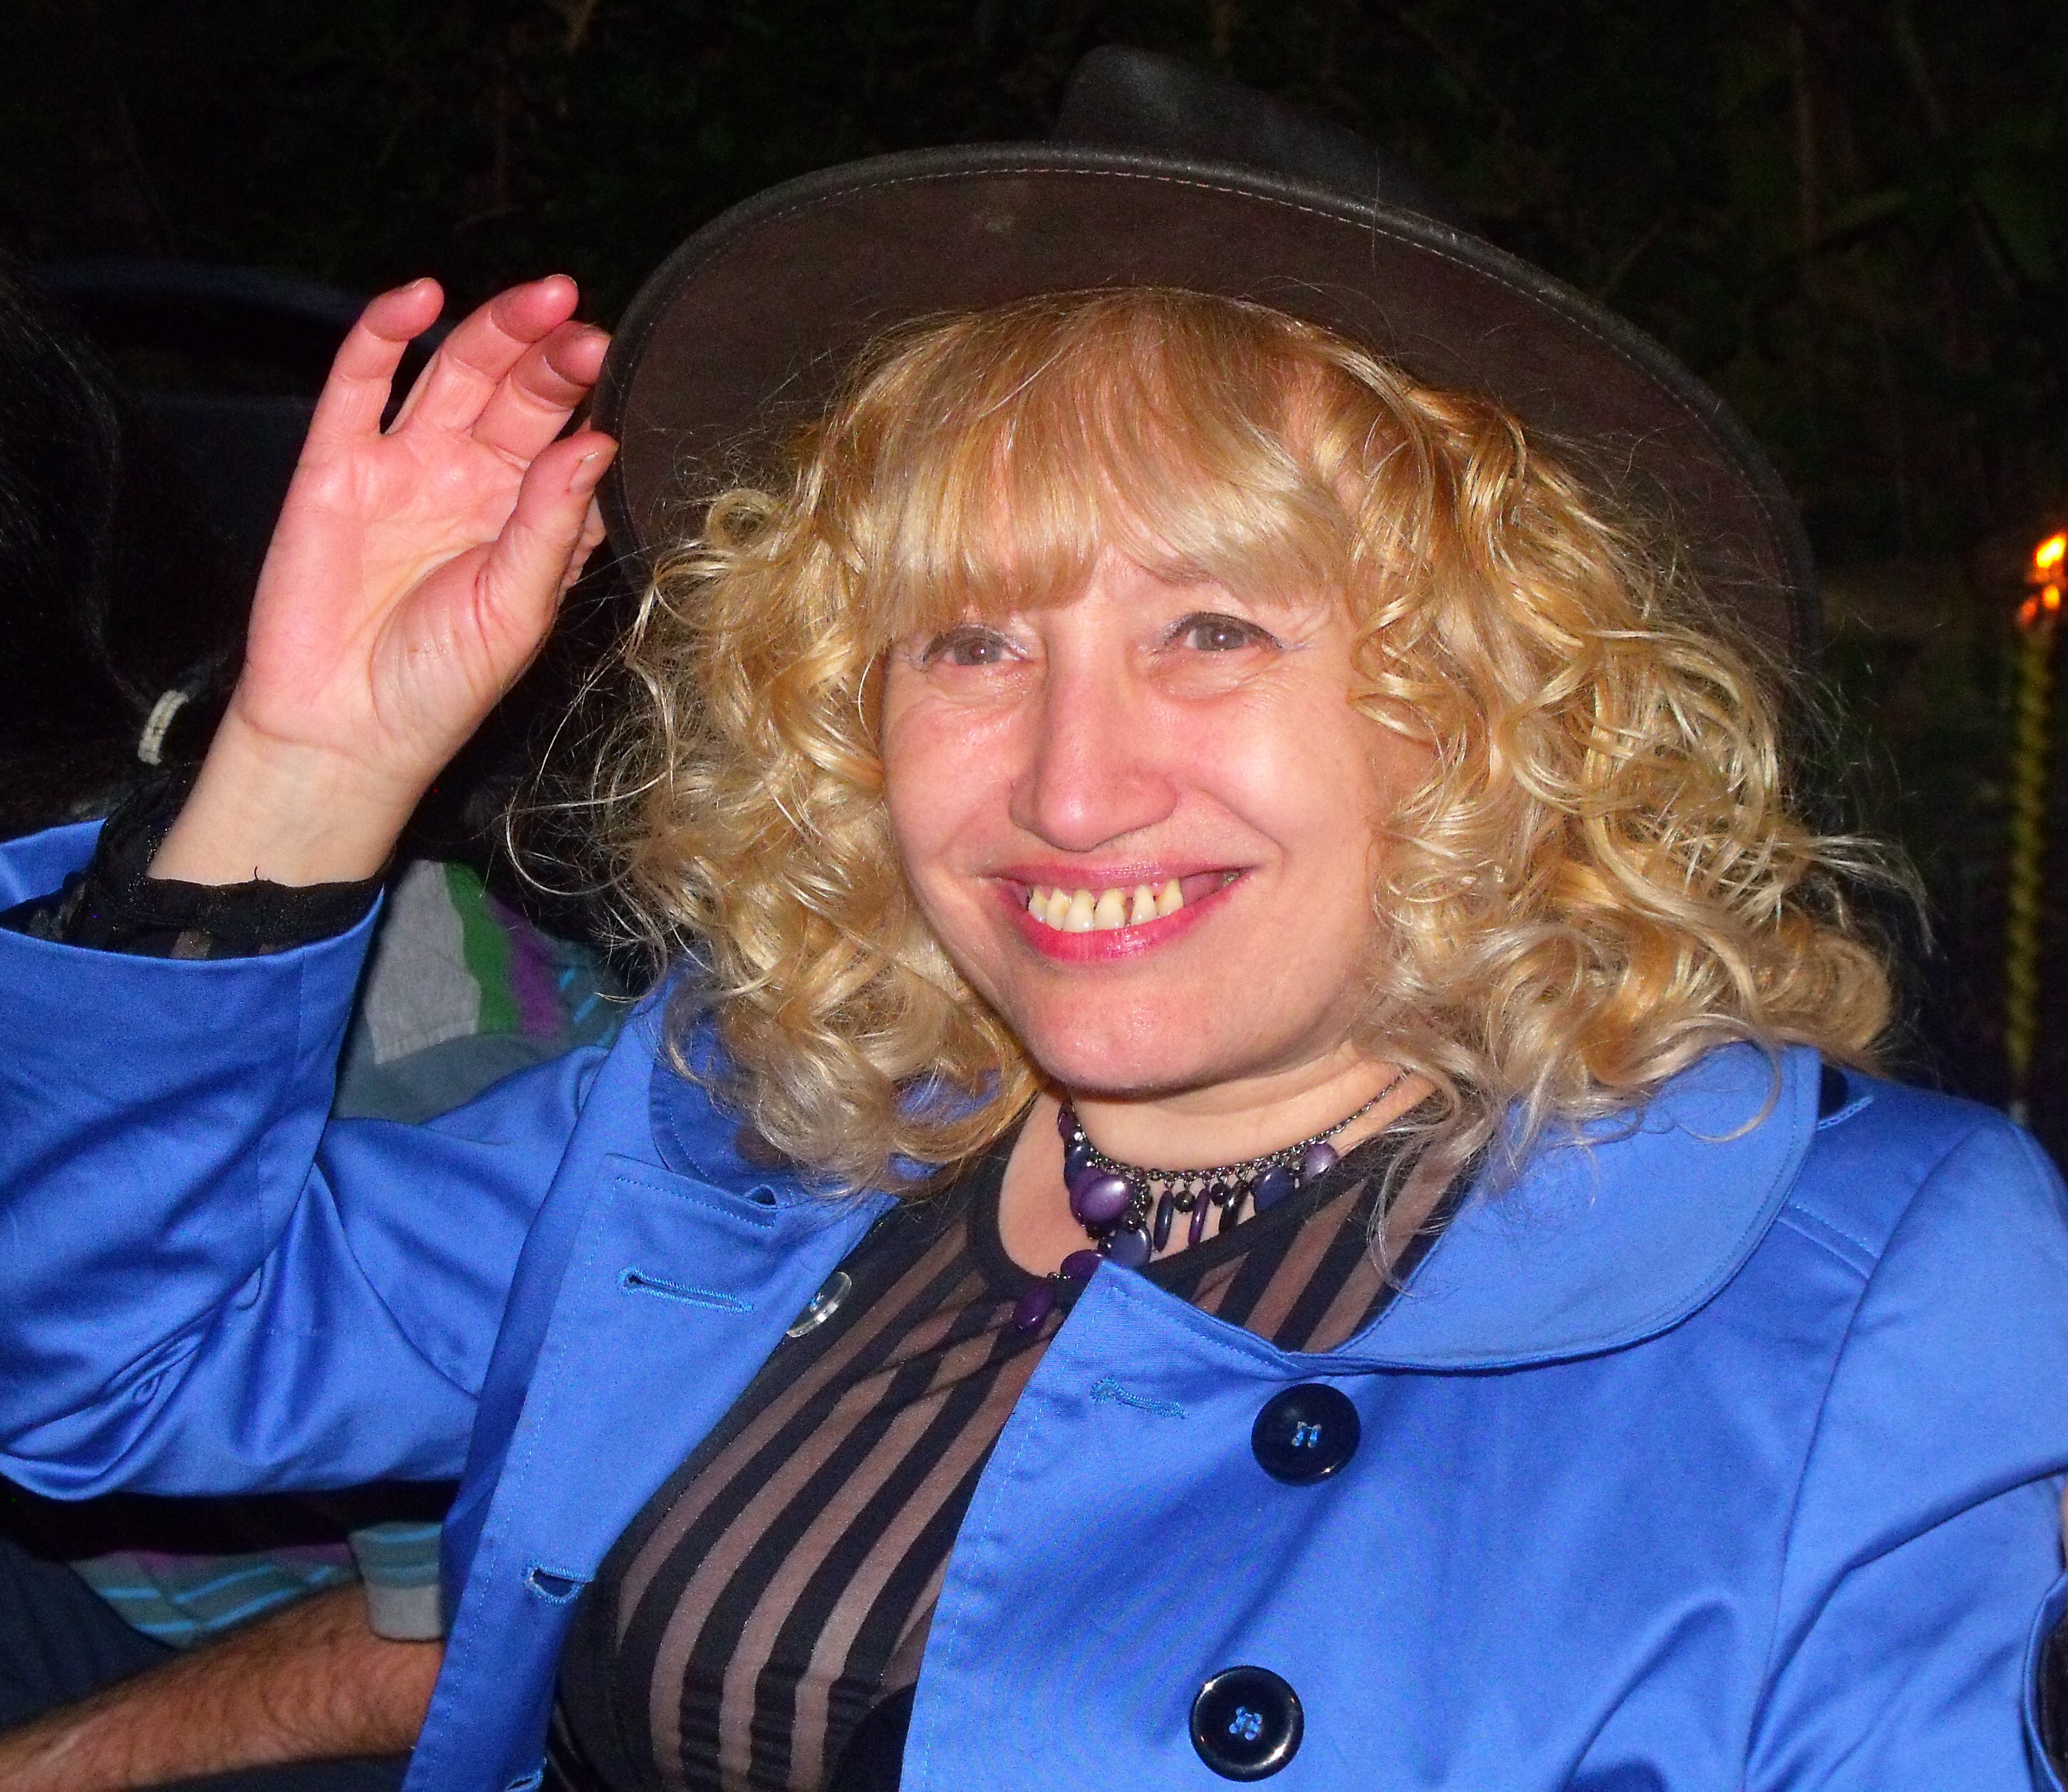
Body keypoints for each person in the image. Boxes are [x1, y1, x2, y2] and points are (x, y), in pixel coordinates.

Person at [4, 44, 2068, 1792]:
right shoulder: (751, 1113)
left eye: (1213, 628)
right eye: (972, 642)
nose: (1072, 788)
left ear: (1481, 698)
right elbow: (97, 1363)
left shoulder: (1870, 1278)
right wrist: (308, 760)